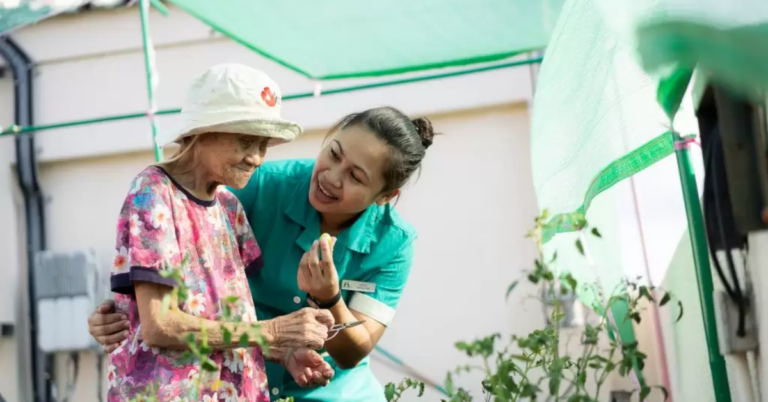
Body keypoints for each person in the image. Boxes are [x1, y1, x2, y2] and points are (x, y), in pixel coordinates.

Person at [90, 102, 437, 401]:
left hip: (332, 391)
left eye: (355, 177)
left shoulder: (395, 244)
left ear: (384, 196)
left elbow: (352, 352)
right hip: (239, 383)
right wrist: (128, 309)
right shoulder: (260, 185)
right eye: (333, 154)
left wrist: (330, 298)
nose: (331, 176)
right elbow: (179, 256)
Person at [104, 64, 336, 402]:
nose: (257, 157)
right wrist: (273, 329)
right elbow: (159, 326)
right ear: (203, 131)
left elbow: (226, 321)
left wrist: (281, 351)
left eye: (263, 144)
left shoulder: (228, 205)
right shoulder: (153, 192)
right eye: (246, 140)